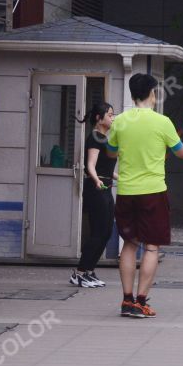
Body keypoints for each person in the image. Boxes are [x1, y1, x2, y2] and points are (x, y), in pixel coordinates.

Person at [106, 74, 183, 318]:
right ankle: (140, 301)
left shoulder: (120, 122)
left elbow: (110, 153)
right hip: (153, 192)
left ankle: (126, 301)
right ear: (152, 93)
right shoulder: (162, 122)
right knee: (151, 247)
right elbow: (180, 151)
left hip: (126, 191)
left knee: (129, 244)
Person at [70, 103, 117, 288]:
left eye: (113, 115)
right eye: (110, 115)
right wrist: (96, 180)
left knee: (106, 232)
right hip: (96, 189)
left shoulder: (106, 138)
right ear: (99, 118)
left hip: (106, 187)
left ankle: (89, 271)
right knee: (98, 233)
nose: (112, 118)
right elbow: (90, 165)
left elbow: (105, 167)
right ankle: (79, 273)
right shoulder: (95, 138)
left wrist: (120, 177)